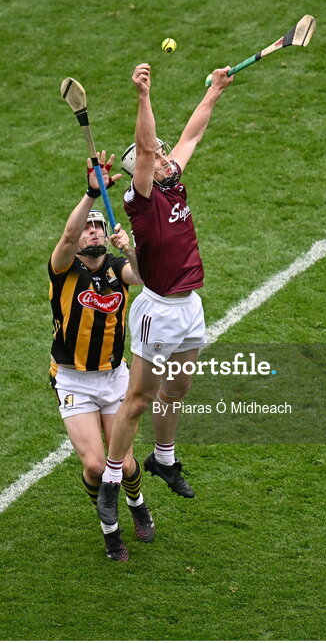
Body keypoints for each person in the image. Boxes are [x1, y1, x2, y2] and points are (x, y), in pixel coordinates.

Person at [97, 63, 233, 530]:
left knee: (178, 390)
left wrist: (213, 91)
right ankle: (112, 483)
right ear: (145, 170)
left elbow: (190, 137)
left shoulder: (173, 179)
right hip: (158, 311)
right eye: (153, 154)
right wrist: (142, 98)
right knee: (137, 400)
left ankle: (164, 459)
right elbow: (148, 140)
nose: (163, 153)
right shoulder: (144, 196)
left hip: (191, 305)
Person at [48, 151, 154, 562]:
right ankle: (111, 532)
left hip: (114, 378)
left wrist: (130, 250)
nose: (91, 233)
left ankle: (137, 503)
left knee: (124, 465)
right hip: (73, 379)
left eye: (98, 229)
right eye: (86, 230)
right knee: (95, 466)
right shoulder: (62, 270)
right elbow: (65, 238)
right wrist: (91, 196)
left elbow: (147, 277)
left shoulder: (114, 269)